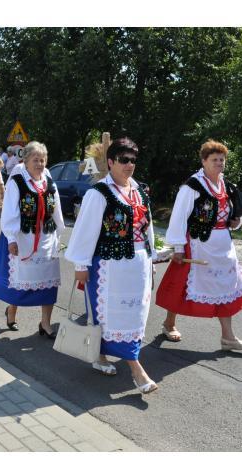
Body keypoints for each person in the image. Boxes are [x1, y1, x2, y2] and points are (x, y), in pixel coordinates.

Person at [64, 137, 158, 394]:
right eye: (124, 160)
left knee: (134, 314)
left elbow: (147, 228)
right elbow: (85, 230)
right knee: (110, 315)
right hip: (110, 267)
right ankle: (136, 370)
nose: (129, 165)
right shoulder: (99, 193)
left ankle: (100, 355)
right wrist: (81, 264)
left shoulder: (139, 191)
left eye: (133, 160)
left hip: (138, 266)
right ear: (110, 162)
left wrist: (152, 258)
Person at [155, 140, 242, 351]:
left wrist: (236, 221)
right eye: (214, 159)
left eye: (222, 159)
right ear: (204, 161)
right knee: (183, 285)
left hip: (223, 246)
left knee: (226, 286)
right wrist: (178, 247)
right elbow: (179, 217)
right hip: (198, 245)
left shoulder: (226, 185)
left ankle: (228, 337)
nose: (219, 163)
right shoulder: (192, 186)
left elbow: (234, 212)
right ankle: (169, 323)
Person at [0, 141, 65, 338]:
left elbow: (56, 209)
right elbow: (9, 212)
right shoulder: (17, 182)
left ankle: (45, 323)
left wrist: (59, 234)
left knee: (49, 284)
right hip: (25, 238)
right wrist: (11, 239)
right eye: (35, 160)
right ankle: (12, 311)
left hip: (47, 239)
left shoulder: (49, 181)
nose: (39, 164)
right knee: (20, 282)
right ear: (26, 161)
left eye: (42, 160)